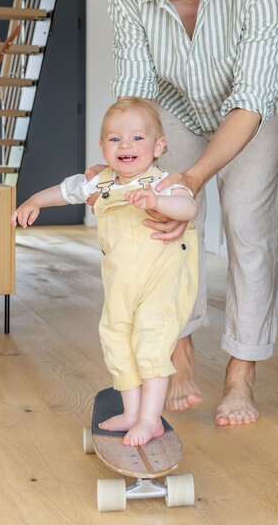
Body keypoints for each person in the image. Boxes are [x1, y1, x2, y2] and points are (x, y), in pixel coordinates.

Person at [108, 0, 278, 427]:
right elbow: (137, 96)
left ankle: (241, 372)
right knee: (165, 221)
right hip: (175, 105)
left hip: (255, 107)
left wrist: (192, 178)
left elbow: (249, 101)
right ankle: (181, 350)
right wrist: (129, 168)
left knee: (249, 226)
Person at [12, 97, 198, 448]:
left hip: (160, 284)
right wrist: (34, 200)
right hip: (120, 287)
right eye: (115, 139)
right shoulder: (101, 183)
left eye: (137, 138)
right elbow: (65, 192)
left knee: (150, 343)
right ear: (102, 147)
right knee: (115, 338)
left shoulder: (162, 184)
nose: (125, 145)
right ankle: (131, 411)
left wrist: (157, 202)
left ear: (159, 146)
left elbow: (187, 206)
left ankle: (150, 419)